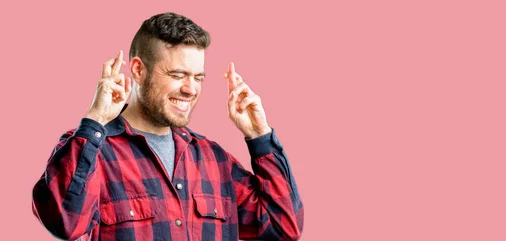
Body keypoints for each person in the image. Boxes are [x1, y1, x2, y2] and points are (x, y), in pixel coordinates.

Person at [32, 12, 303, 241]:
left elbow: (283, 228)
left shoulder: (214, 161)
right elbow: (63, 222)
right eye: (177, 75)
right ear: (138, 71)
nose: (190, 89)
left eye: (198, 77)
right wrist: (95, 120)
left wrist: (259, 136)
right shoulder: (93, 151)